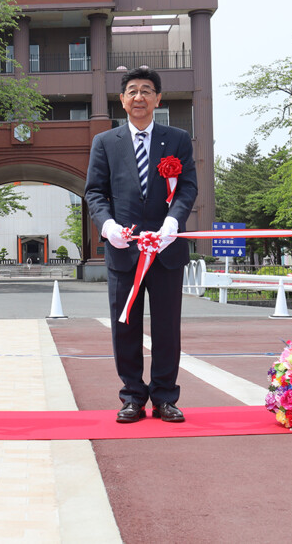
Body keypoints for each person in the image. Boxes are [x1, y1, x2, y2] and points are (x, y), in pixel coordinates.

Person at [84, 67, 198, 423]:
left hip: (165, 251)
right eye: (132, 91)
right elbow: (94, 192)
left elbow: (188, 187)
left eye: (147, 91)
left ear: (158, 99)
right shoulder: (106, 142)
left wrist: (172, 222)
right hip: (124, 250)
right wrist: (108, 226)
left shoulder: (177, 139)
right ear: (122, 99)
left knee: (167, 327)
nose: (139, 97)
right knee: (125, 326)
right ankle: (132, 395)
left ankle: (165, 396)